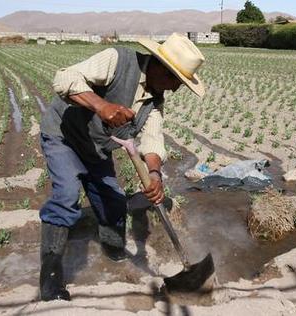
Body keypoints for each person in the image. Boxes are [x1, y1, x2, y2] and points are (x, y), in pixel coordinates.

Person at [38, 33, 206, 301]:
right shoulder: (117, 60)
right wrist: (101, 105)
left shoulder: (155, 101)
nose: (175, 89)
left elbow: (152, 139)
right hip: (64, 137)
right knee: (67, 194)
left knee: (114, 201)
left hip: (96, 149)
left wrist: (154, 174)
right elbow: (64, 77)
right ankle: (51, 277)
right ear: (161, 67)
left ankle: (113, 253)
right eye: (176, 81)